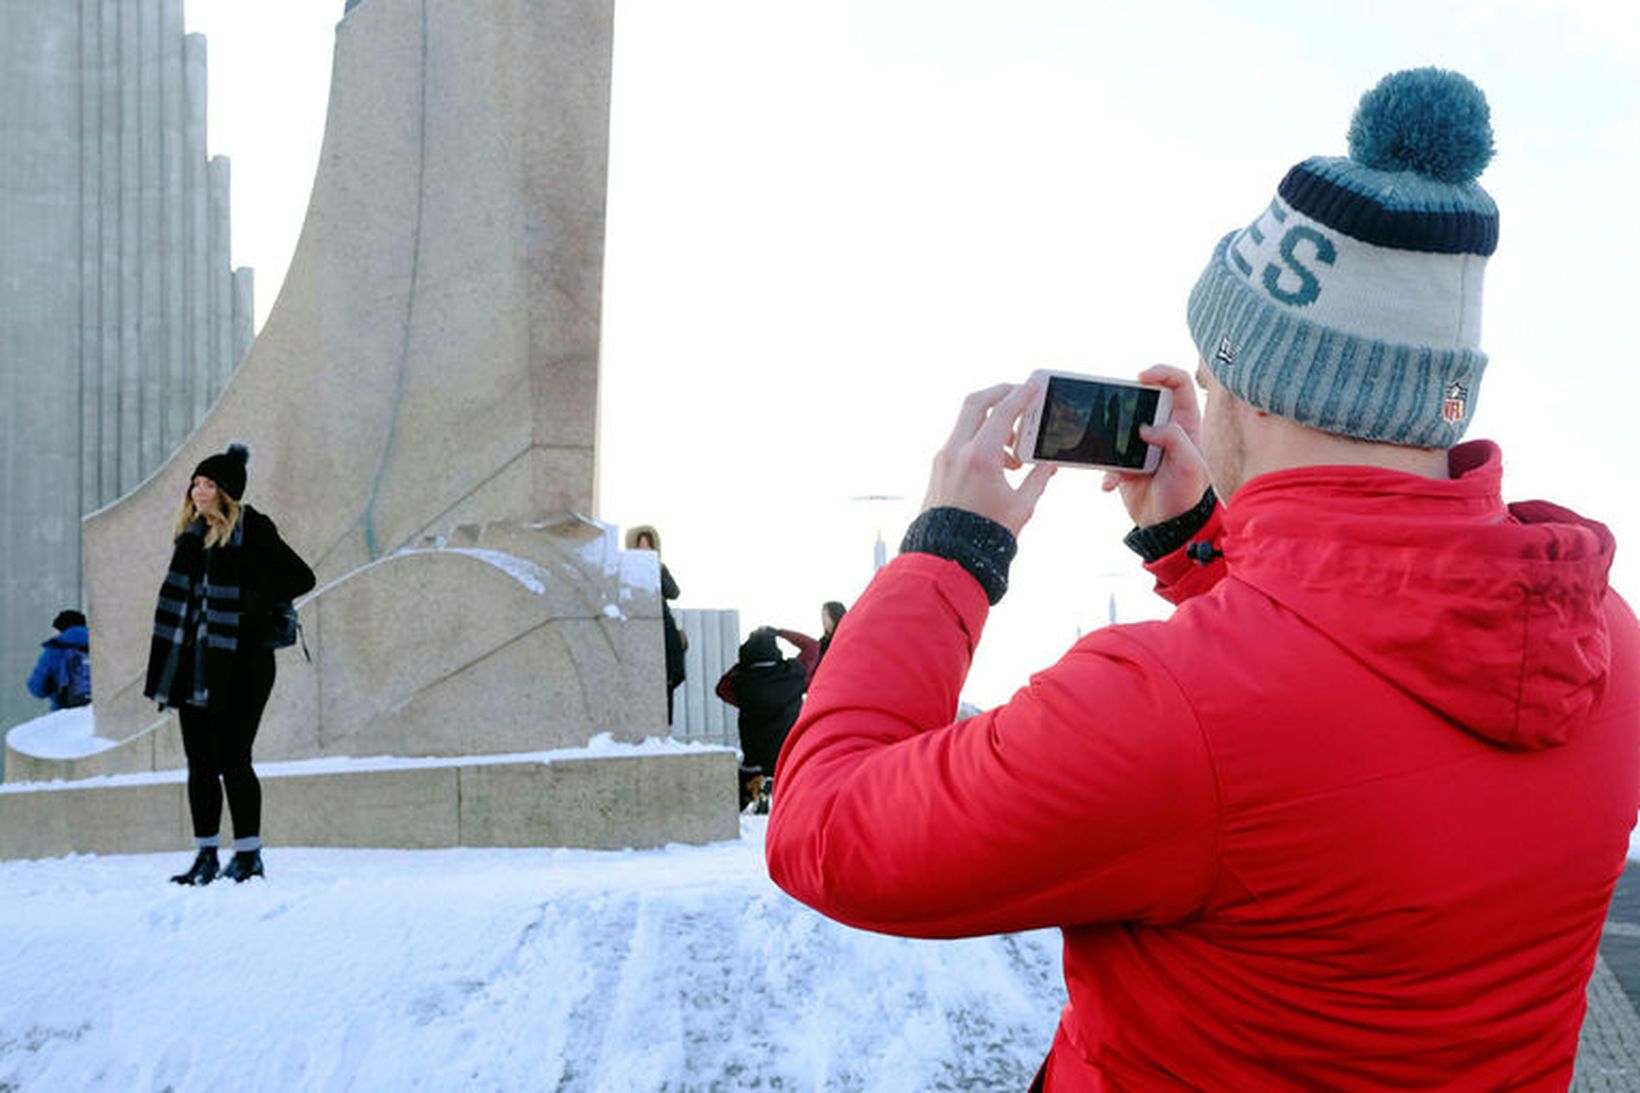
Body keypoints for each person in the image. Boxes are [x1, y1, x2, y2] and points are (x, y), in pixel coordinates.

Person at [765, 68, 1640, 1090]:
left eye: (1209, 369)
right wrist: (1195, 545)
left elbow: (824, 828)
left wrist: (948, 549)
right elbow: (1347, 689)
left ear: (1253, 387)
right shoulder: (1600, 639)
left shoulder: (1164, 712)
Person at [145, 444, 315, 886]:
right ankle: (205, 856)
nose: (198, 491)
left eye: (208, 484)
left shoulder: (253, 528)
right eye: (196, 483)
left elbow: (301, 577)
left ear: (226, 492)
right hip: (193, 666)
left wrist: (247, 603)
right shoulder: (190, 535)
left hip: (243, 662)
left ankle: (247, 855)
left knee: (233, 758)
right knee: (199, 762)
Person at [716, 626, 819, 811]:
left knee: (739, 809)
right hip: (787, 756)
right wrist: (779, 632)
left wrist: (743, 664)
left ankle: (756, 794)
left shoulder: (741, 682)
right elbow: (812, 647)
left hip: (754, 760)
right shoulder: (794, 674)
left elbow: (722, 688)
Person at [626, 525, 687, 723]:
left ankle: (664, 724)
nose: (645, 552)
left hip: (663, 629)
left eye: (649, 547)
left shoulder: (659, 568)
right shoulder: (626, 569)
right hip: (639, 629)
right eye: (641, 547)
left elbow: (674, 592)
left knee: (668, 676)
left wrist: (655, 568)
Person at [25, 609, 91, 710]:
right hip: (97, 713)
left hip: (64, 712)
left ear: (62, 629)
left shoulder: (55, 649)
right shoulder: (100, 645)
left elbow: (36, 688)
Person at [817, 600, 847, 665]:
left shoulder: (846, 637)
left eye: (825, 616)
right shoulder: (821, 643)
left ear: (834, 616)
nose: (823, 621)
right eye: (822, 617)